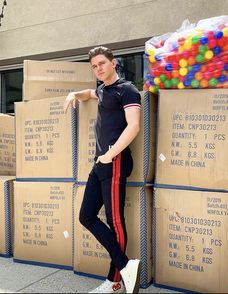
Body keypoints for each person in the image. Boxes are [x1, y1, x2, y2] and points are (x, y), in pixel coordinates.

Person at [63, 46, 141, 293]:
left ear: (113, 63)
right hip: (100, 162)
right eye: (94, 66)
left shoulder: (127, 90)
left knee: (115, 220)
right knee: (86, 216)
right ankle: (126, 265)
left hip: (114, 160)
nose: (98, 69)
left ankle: (115, 281)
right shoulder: (102, 89)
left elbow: (134, 126)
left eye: (102, 64)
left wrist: (110, 154)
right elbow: (89, 93)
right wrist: (74, 94)